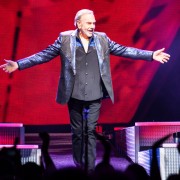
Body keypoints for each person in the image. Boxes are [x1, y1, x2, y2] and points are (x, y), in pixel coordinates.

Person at [0, 9, 170, 174]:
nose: (92, 26)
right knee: (78, 132)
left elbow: (125, 50)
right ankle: (78, 164)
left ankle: (88, 169)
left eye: (94, 23)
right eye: (88, 23)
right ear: (78, 24)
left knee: (89, 131)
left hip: (95, 93)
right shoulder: (65, 39)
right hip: (74, 93)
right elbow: (43, 55)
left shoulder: (102, 39)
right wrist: (19, 64)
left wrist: (151, 55)